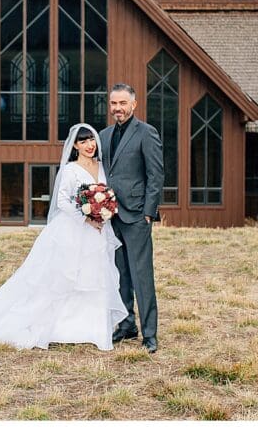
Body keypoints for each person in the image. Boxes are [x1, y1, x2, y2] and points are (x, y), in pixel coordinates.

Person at [0, 124, 128, 350]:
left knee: (94, 278)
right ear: (75, 146)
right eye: (83, 141)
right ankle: (61, 328)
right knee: (64, 279)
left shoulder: (101, 166)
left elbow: (106, 195)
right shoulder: (70, 170)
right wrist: (87, 217)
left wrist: (102, 212)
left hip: (98, 232)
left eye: (91, 140)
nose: (89, 145)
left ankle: (92, 330)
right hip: (74, 230)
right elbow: (62, 201)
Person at [99, 83, 162, 353]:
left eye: (122, 103)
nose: (118, 108)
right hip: (110, 215)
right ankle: (127, 325)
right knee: (119, 274)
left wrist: (149, 211)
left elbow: (156, 175)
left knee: (141, 276)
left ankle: (149, 334)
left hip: (137, 215)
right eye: (114, 104)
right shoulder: (103, 135)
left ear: (133, 105)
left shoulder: (146, 133)